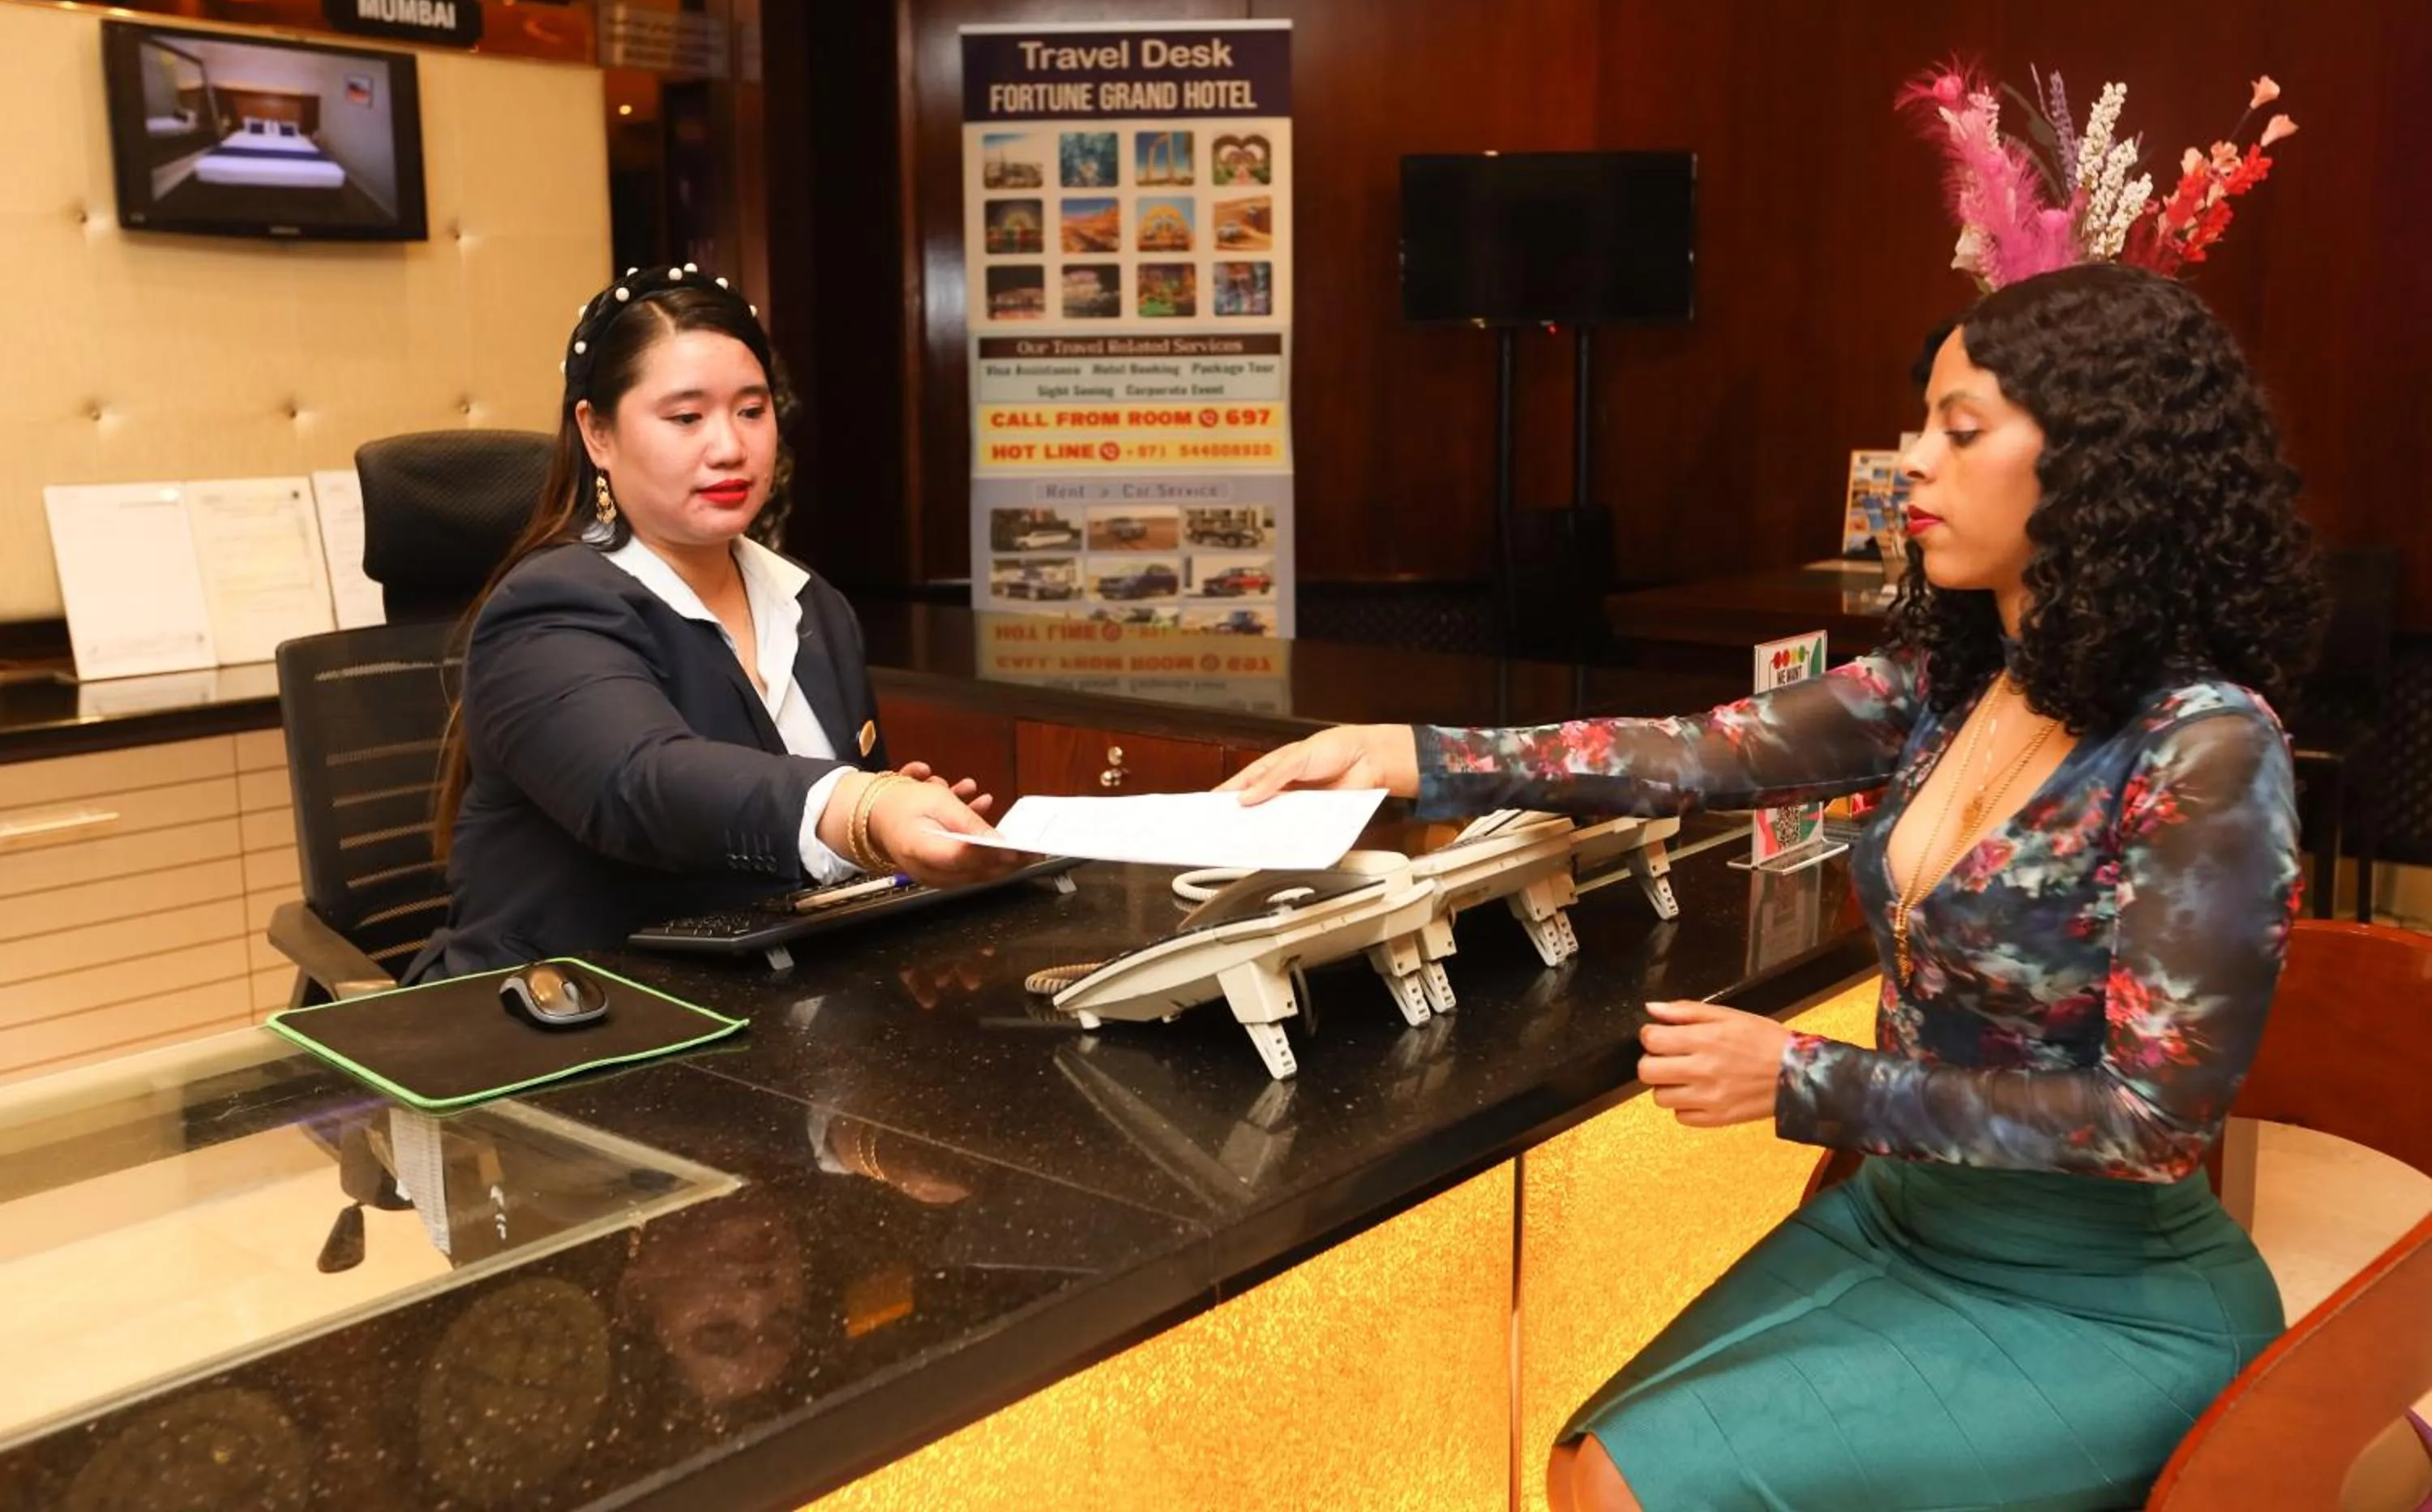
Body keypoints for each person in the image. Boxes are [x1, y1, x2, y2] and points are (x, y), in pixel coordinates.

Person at [1222, 263, 2324, 1511]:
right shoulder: (1959, 683)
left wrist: (1805, 1079)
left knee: (1629, 1485)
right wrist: (1410, 756)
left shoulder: (2207, 745)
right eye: (1921, 423)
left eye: (1960, 430)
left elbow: (2152, 1120)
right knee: (1589, 1462)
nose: (1912, 460)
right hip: (1905, 1221)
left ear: (2101, 464)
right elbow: (1697, 752)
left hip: (2103, 1298)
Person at [409, 266, 1017, 982]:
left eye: (752, 411)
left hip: (767, 995)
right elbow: (640, 782)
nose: (729, 447)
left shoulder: (810, 602)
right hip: (571, 1012)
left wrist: (893, 829)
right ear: (597, 433)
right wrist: (859, 804)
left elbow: (816, 832)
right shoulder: (549, 608)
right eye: (686, 418)